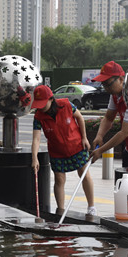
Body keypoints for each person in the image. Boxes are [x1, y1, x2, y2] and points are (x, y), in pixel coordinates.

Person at [31, 85, 96, 216]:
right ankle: (60, 211)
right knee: (59, 179)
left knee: (84, 173)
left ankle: (91, 207)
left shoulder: (66, 105)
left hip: (77, 145)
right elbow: (36, 139)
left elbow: (80, 118)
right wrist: (34, 158)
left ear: (51, 99)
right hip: (57, 151)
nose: (41, 107)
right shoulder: (38, 116)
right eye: (38, 104)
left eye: (43, 103)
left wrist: (84, 138)